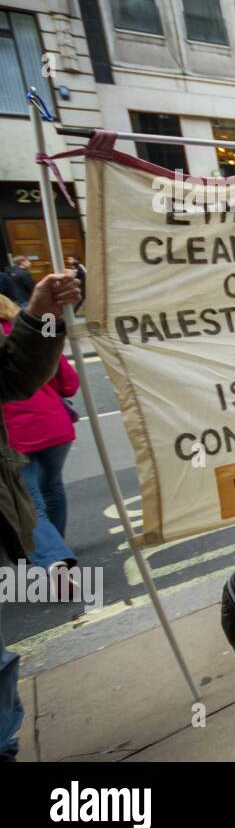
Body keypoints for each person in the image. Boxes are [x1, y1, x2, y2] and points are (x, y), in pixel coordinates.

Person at [0, 269, 80, 760]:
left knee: (40, 501)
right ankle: (54, 562)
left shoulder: (16, 324)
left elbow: (18, 374)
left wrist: (44, 318)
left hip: (29, 445)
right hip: (52, 437)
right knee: (49, 496)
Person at [0, 295, 79, 571]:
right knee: (53, 486)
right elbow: (68, 383)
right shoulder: (34, 333)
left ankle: (51, 556)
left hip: (16, 435)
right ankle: (56, 544)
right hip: (55, 426)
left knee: (29, 501)